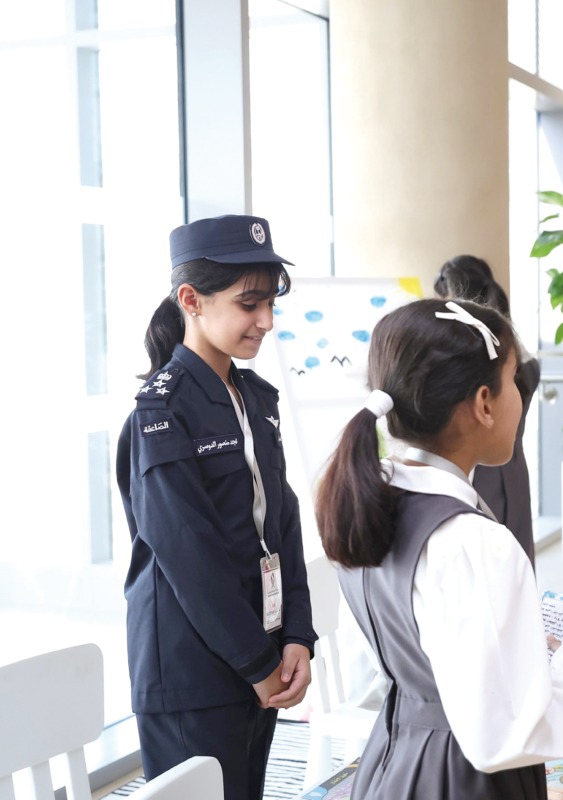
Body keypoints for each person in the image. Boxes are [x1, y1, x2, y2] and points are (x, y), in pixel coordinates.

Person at [316, 298, 563, 798]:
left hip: (393, 764)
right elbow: (508, 734)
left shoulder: (368, 502)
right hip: (464, 780)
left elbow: (383, 671)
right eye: (514, 379)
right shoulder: (475, 543)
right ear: (483, 403)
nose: (520, 395)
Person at [116, 215, 315, 800]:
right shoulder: (160, 415)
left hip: (260, 658)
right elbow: (187, 557)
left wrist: (297, 635)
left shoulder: (254, 398)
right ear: (191, 300)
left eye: (271, 302)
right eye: (249, 303)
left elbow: (283, 522)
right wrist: (258, 663)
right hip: (194, 675)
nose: (267, 321)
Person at [433, 254, 541, 567]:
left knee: (488, 563)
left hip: (478, 469)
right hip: (513, 467)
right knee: (515, 563)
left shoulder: (479, 362)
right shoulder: (519, 353)